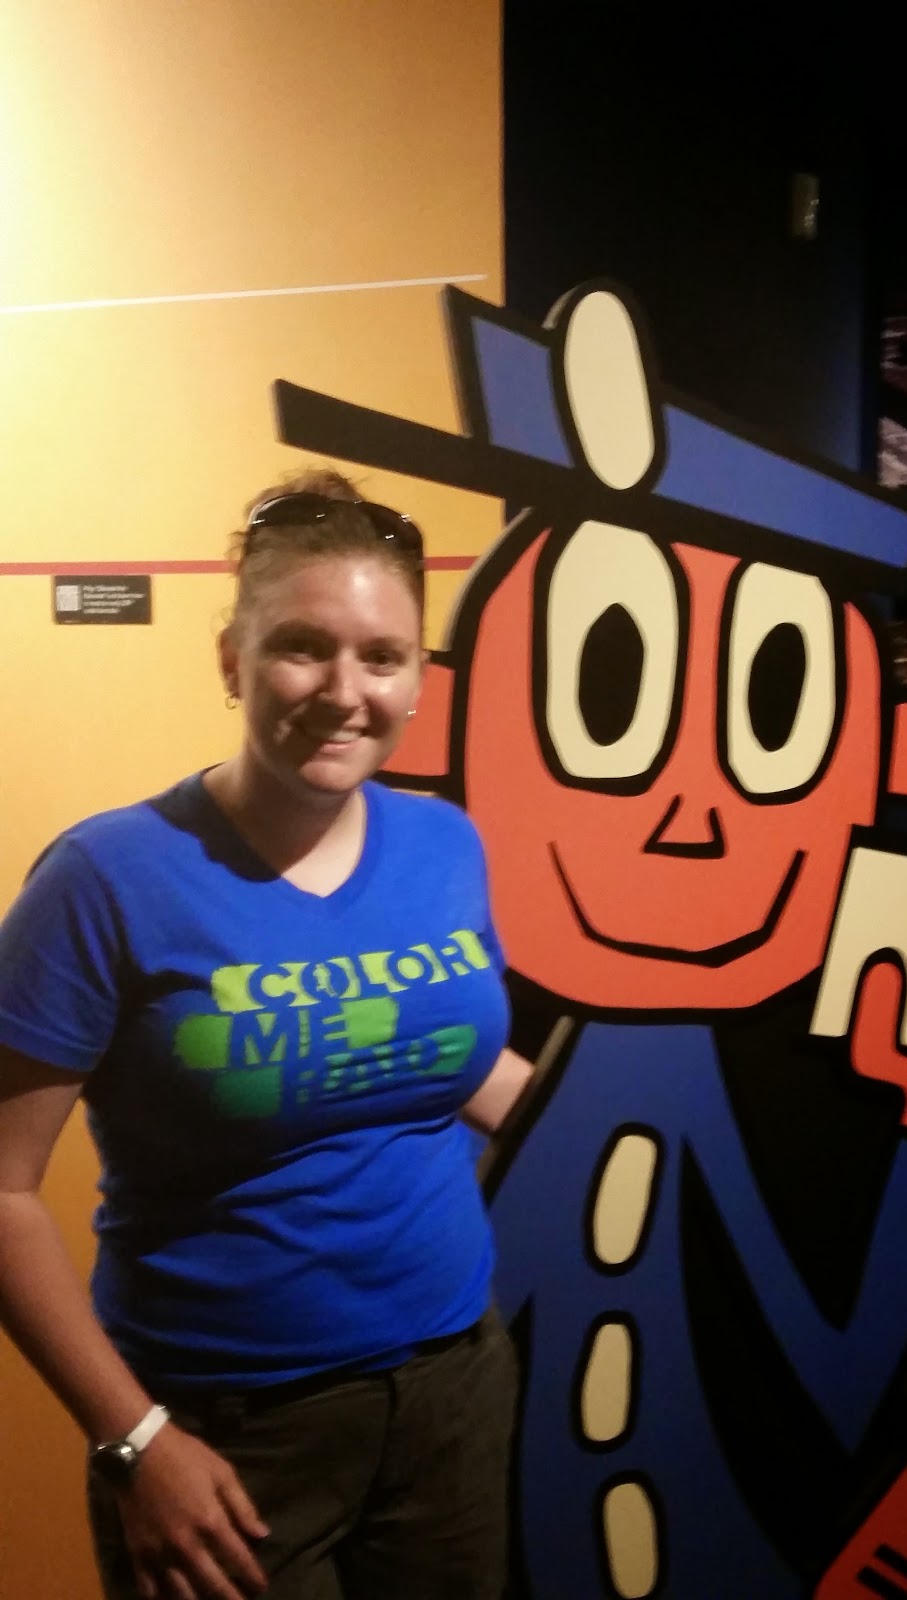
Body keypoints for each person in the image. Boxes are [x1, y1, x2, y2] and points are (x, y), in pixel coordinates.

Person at [0, 470, 532, 1600]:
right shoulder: (106, 876)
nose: (344, 691)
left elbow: (448, 1057)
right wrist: (134, 1439)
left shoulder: (445, 843)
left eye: (382, 656)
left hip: (454, 1389)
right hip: (227, 1431)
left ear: (419, 679)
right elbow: (2, 1191)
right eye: (302, 646)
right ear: (232, 659)